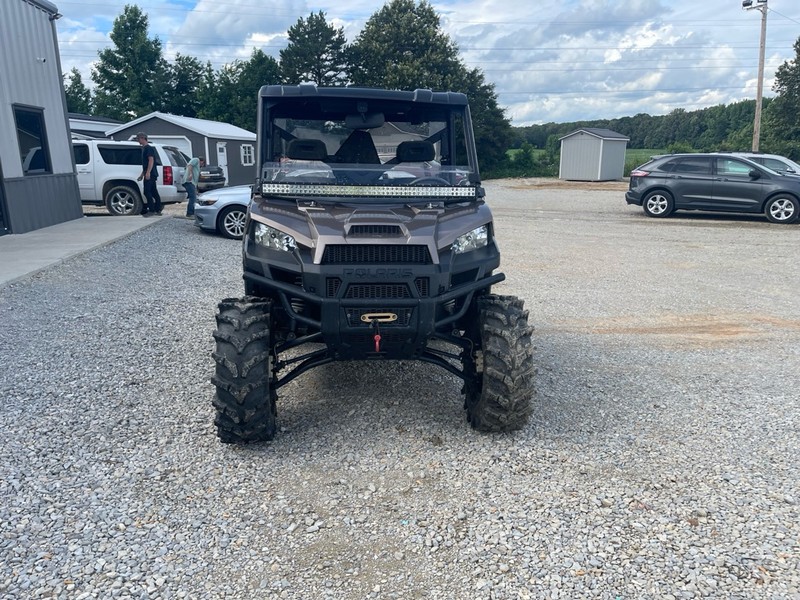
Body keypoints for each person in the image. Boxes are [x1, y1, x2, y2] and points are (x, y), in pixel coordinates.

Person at [136, 132, 162, 217]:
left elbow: (151, 160)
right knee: (154, 192)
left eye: (138, 138)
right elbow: (146, 164)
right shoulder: (144, 149)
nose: (138, 140)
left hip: (151, 173)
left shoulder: (149, 148)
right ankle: (158, 209)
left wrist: (148, 173)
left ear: (143, 138)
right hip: (149, 173)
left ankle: (152, 210)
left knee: (147, 191)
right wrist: (141, 174)